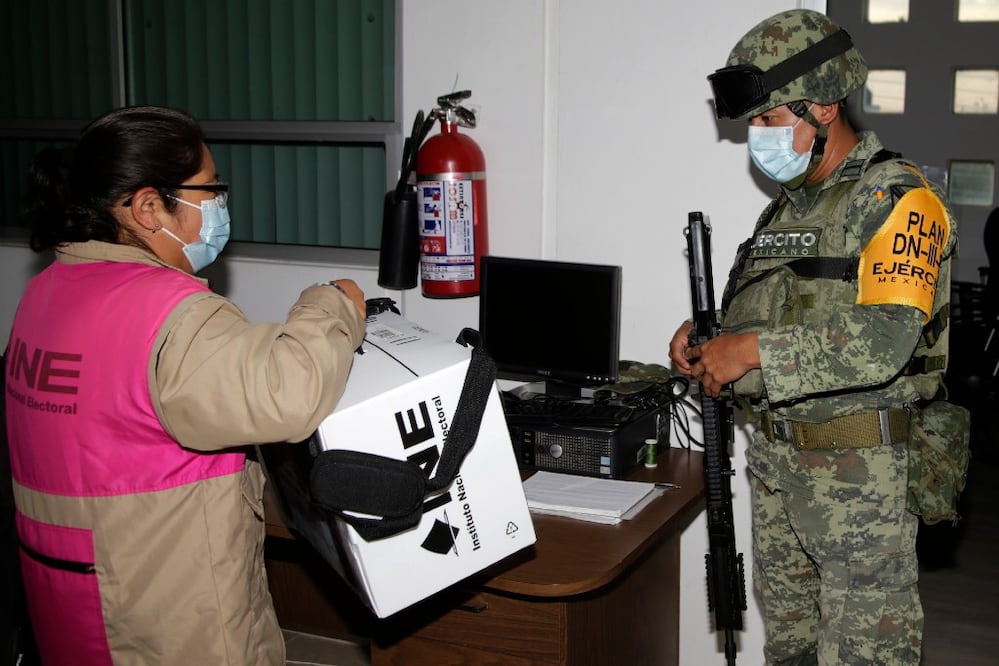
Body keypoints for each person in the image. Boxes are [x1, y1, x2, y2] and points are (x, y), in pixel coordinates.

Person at [5, 106, 367, 665]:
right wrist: (333, 302)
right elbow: (289, 395)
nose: (219, 204)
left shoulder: (47, 293)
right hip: (167, 621)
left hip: (73, 603)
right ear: (149, 207)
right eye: (208, 189)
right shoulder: (171, 314)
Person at [669, 9, 958, 666]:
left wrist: (749, 352)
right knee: (792, 650)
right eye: (753, 125)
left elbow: (884, 341)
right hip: (777, 469)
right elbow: (778, 317)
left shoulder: (896, 197)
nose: (757, 140)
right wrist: (711, 339)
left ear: (823, 106)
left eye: (770, 120)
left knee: (862, 655)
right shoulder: (786, 211)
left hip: (857, 482)